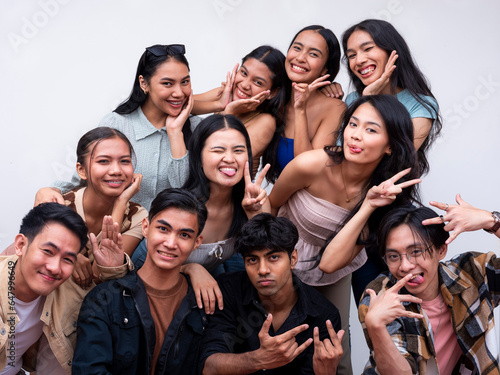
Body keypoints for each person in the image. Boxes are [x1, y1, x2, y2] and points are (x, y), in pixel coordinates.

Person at [269, 95, 421, 374]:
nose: (356, 136)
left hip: (332, 269)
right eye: (353, 124)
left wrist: (368, 206)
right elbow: (271, 205)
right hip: (281, 254)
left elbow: (329, 264)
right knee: (279, 347)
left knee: (335, 351)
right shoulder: (311, 164)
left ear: (389, 147)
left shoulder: (385, 197)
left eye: (371, 130)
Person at [34, 43, 195, 211]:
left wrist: (175, 133)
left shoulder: (196, 127)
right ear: (144, 83)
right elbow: (83, 180)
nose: (179, 92)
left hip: (170, 235)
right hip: (118, 233)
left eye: (185, 82)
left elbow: (186, 195)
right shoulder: (117, 124)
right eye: (168, 83)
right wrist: (51, 190)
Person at [72, 188, 208, 375]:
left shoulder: (204, 303)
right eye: (163, 229)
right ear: (145, 227)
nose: (170, 243)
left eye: (184, 235)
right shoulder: (104, 299)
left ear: (197, 242)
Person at [358, 199, 500, 374]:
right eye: (393, 256)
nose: (405, 266)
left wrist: (492, 221)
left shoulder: (472, 272)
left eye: (416, 252)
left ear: (441, 250)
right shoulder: (378, 297)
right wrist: (375, 326)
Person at [201, 213, 343, 375]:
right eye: (253, 260)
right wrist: (258, 359)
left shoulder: (323, 314)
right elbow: (209, 367)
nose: (262, 270)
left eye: (273, 257)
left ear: (293, 259)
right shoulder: (229, 290)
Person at [0, 203, 132, 375]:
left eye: (68, 259)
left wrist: (111, 271)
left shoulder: (67, 287)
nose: (55, 267)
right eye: (48, 251)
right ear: (20, 245)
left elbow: (114, 310)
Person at [342, 19, 441, 176]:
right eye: (351, 55)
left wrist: (369, 100)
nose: (359, 61)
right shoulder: (353, 99)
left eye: (367, 49)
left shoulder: (420, 105)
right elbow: (340, 156)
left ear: (392, 51)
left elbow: (396, 163)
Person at [61, 127, 147, 289]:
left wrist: (121, 202)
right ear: (82, 170)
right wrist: (69, 256)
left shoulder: (137, 216)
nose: (116, 170)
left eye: (124, 161)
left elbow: (98, 275)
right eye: (103, 161)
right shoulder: (62, 205)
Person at [193, 45, 287, 182]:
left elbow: (217, 154)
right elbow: (179, 104)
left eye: (257, 82)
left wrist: (230, 111)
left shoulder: (266, 121)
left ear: (272, 92)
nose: (244, 85)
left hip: (232, 196)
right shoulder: (226, 93)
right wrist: (218, 104)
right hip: (203, 186)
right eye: (243, 73)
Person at [276, 25, 346, 172]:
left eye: (313, 54)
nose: (300, 58)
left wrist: (300, 110)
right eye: (297, 48)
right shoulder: (273, 94)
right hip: (274, 194)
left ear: (325, 69)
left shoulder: (334, 108)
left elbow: (308, 170)